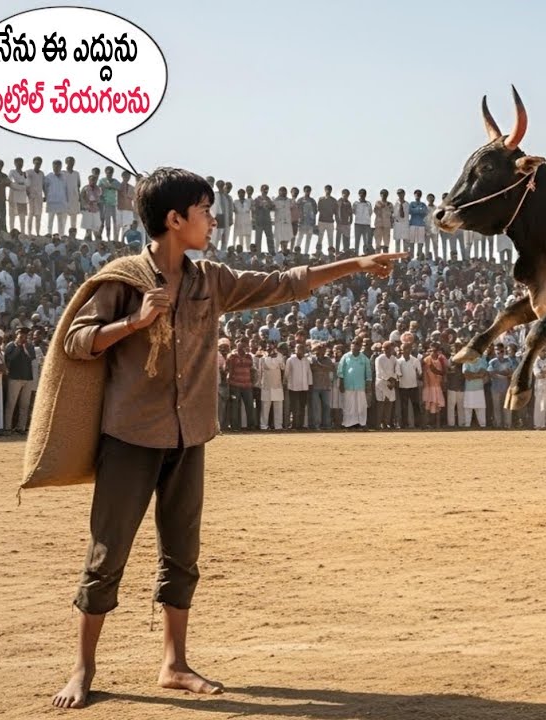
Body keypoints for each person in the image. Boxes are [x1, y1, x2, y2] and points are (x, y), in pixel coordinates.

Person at [49, 167, 404, 710]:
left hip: (189, 437)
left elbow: (285, 283)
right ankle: (83, 669)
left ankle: (174, 664)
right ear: (175, 219)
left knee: (182, 554)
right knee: (107, 554)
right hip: (129, 439)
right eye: (205, 211)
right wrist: (134, 323)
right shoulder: (123, 280)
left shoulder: (210, 279)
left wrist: (354, 264)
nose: (213, 221)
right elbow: (76, 341)